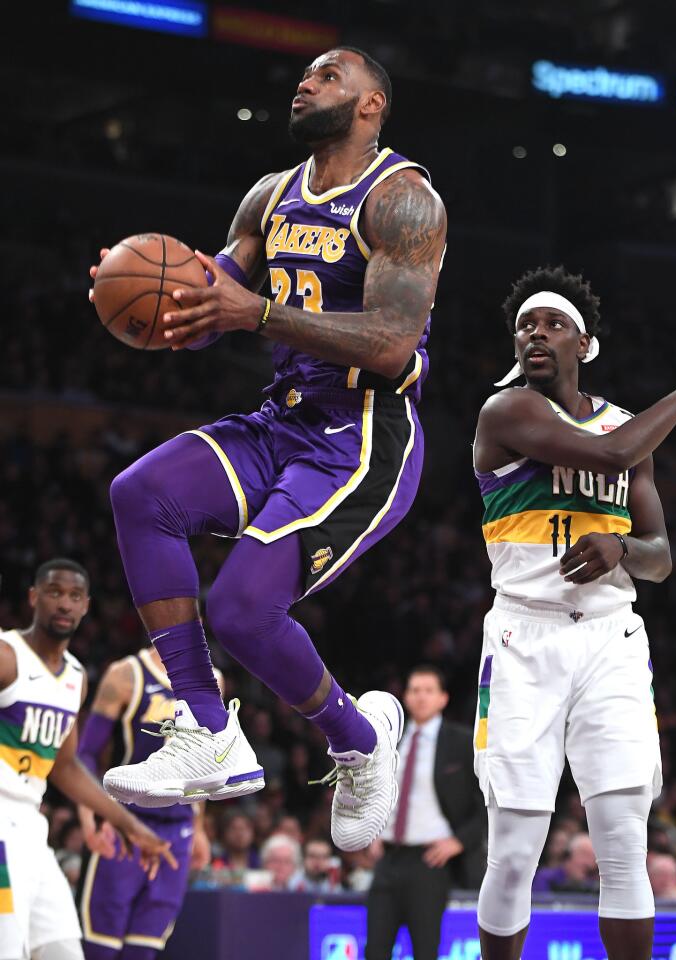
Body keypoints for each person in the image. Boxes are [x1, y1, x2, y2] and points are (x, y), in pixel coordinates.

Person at [89, 45, 447, 853]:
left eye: (330, 74)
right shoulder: (269, 196)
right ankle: (207, 727)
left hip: (362, 436)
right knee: (141, 494)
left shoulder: (404, 199)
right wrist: (138, 294)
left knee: (243, 610)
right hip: (281, 419)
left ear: (371, 105)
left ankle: (359, 742)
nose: (307, 80)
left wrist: (253, 315)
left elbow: (392, 345)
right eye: (306, 72)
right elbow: (210, 301)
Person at [471, 266, 676, 960]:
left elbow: (659, 558)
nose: (535, 334)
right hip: (522, 634)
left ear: (585, 344)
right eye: (525, 326)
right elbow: (612, 454)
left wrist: (621, 545)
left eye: (553, 324)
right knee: (514, 850)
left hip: (610, 638)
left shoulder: (626, 425)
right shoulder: (504, 411)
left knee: (624, 842)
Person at [0, 559, 176, 960]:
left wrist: (129, 824)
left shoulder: (75, 676)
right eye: (54, 592)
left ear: (85, 607)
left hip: (31, 828)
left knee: (64, 951)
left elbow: (65, 767)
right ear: (33, 597)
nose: (64, 603)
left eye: (74, 596)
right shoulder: (7, 656)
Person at [76, 644, 218, 959]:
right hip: (125, 822)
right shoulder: (125, 674)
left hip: (178, 828)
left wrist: (199, 827)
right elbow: (85, 753)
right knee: (100, 944)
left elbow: (204, 764)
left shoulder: (214, 679)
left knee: (146, 947)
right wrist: (90, 817)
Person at [367, 665, 486, 960]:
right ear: (405, 697)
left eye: (429, 690)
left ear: (443, 698)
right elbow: (373, 791)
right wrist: (371, 831)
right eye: (415, 690)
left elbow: (488, 802)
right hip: (388, 858)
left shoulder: (461, 742)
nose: (421, 697)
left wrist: (459, 841)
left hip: (430, 863)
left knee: (425, 950)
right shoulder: (390, 741)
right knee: (375, 951)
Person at [532, 833, 598, 894]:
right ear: (568, 854)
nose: (589, 863)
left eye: (593, 857)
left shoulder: (596, 885)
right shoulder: (545, 878)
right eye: (584, 855)